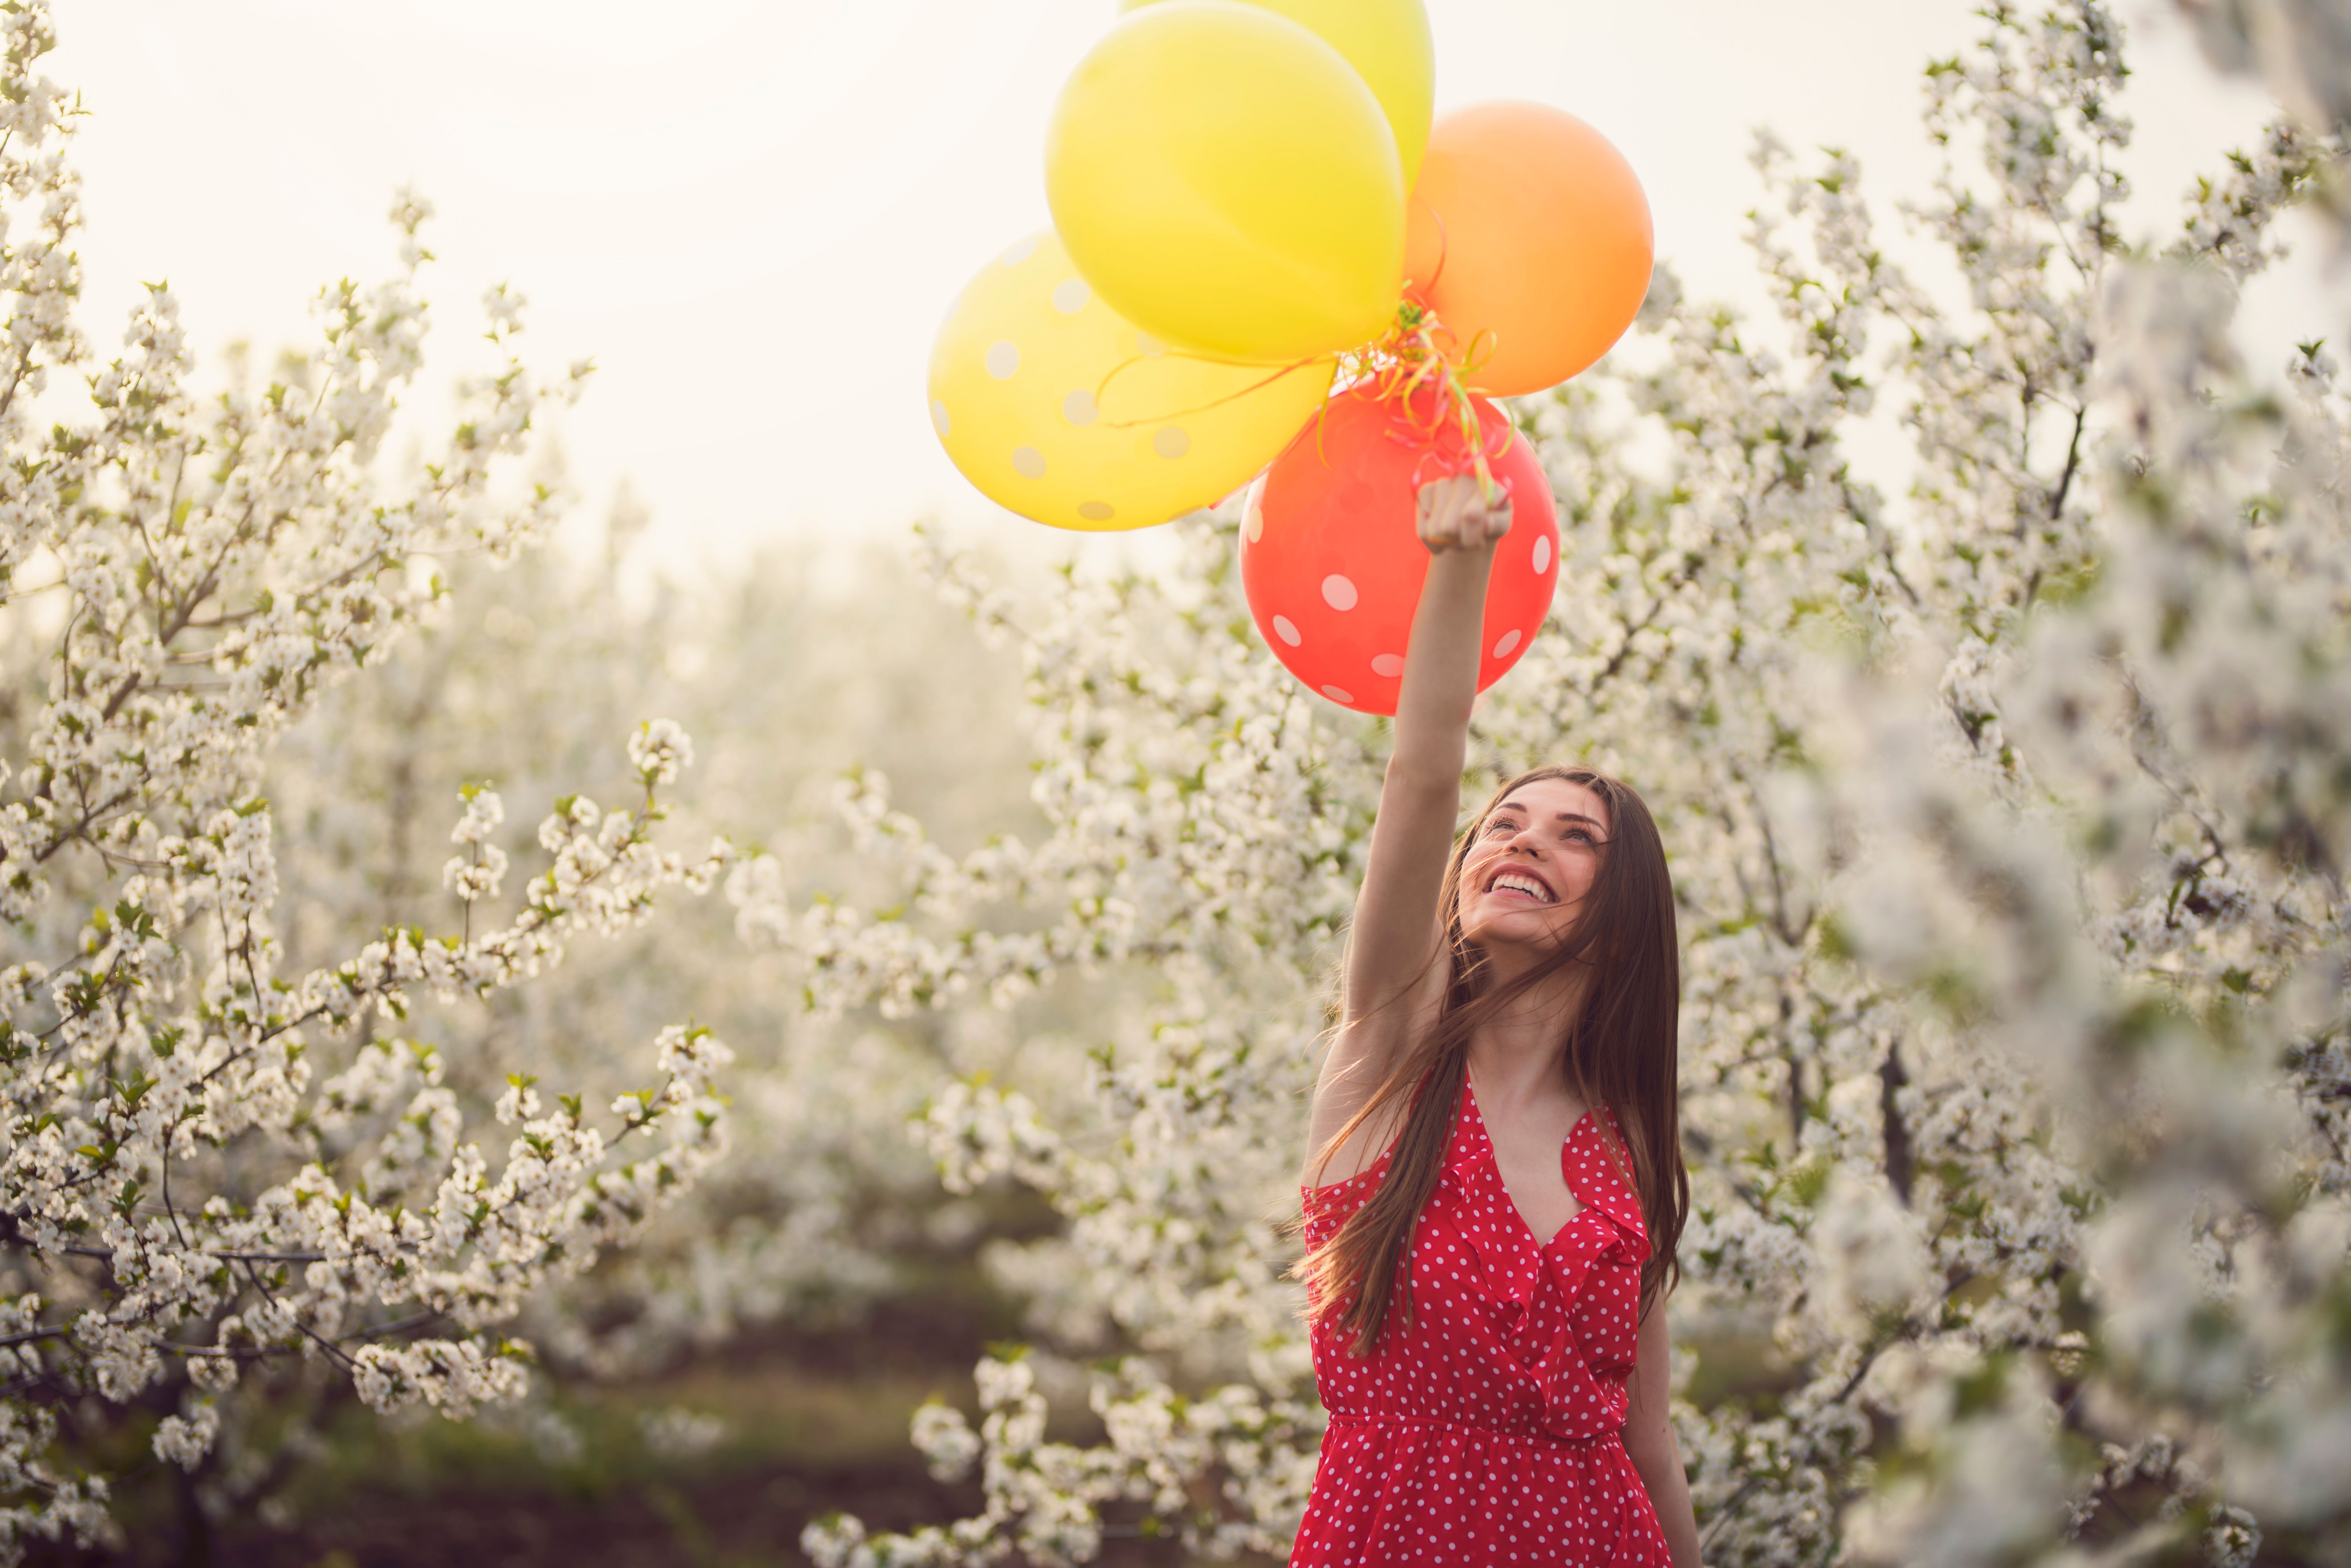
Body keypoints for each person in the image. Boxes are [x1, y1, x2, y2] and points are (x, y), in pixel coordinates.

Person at [1290, 471, 1703, 1565]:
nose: (1522, 841)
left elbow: (1649, 1447)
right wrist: (1461, 560)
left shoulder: (1628, 1153)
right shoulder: (1387, 1057)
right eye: (1507, 824)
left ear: (1624, 920)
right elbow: (1423, 778)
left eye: (1576, 836)